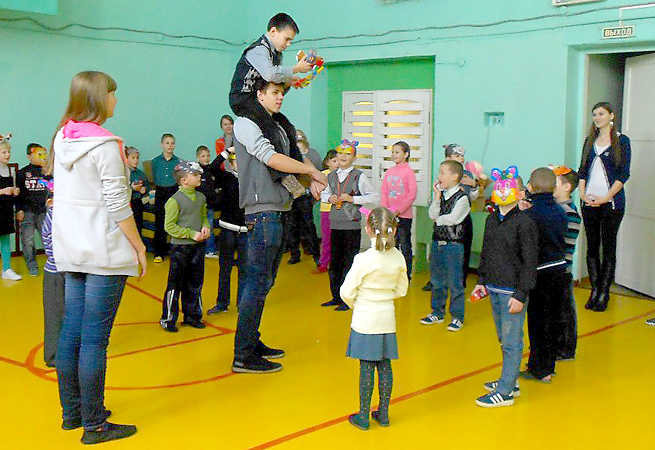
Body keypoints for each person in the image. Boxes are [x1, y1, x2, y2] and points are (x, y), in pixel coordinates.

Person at [51, 71, 146, 444]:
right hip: (103, 252)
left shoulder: (62, 137)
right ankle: (95, 425)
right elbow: (118, 205)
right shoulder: (106, 146)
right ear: (97, 98)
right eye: (111, 93)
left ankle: (73, 413)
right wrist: (139, 246)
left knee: (72, 331)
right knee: (93, 340)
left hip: (72, 249)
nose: (115, 99)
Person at [231, 79, 327, 373]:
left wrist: (307, 184)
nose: (280, 97)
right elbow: (272, 159)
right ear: (259, 94)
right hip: (262, 212)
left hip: (278, 210)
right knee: (257, 283)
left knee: (265, 283)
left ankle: (251, 341)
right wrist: (310, 170)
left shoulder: (276, 126)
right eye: (274, 92)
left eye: (282, 93)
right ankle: (243, 355)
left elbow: (284, 168)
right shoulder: (246, 123)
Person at [473, 165, 538, 407]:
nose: (502, 191)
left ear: (519, 193)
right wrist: (481, 281)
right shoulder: (491, 220)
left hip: (512, 292)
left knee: (512, 341)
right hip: (494, 287)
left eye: (508, 188)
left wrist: (521, 294)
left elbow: (530, 262)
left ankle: (505, 391)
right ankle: (510, 381)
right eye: (498, 187)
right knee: (503, 338)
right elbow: (487, 252)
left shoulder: (525, 223)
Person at [229, 13, 313, 198]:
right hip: (243, 99)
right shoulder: (258, 50)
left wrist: (290, 82)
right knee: (270, 129)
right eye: (287, 39)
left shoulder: (276, 54)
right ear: (273, 31)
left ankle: (299, 173)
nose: (288, 44)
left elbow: (273, 82)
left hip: (258, 99)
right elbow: (270, 75)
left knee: (287, 127)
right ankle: (285, 178)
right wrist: (296, 69)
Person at [341, 207, 408, 430]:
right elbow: (402, 290)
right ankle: (384, 414)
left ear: (367, 229)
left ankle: (363, 415)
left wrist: (358, 304)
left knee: (367, 367)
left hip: (365, 319)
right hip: (387, 319)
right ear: (393, 230)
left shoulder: (363, 259)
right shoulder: (398, 257)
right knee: (385, 365)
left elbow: (346, 292)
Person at [578, 102, 631, 312]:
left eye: (601, 113)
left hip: (611, 204)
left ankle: (604, 293)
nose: (597, 117)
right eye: (594, 114)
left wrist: (606, 198)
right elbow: (582, 170)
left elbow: (624, 174)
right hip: (589, 203)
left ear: (611, 115)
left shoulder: (622, 141)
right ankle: (595, 289)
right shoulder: (589, 141)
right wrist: (582, 194)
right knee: (592, 247)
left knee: (608, 247)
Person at [519, 168, 568, 384]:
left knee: (538, 321)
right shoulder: (560, 211)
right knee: (553, 319)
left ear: (531, 186)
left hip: (540, 271)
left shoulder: (530, 215)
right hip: (559, 269)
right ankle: (549, 366)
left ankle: (539, 369)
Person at [320, 140, 380, 311]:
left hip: (351, 226)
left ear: (354, 157)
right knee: (335, 263)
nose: (343, 156)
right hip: (335, 225)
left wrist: (353, 199)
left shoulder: (359, 176)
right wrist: (329, 198)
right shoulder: (331, 176)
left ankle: (348, 299)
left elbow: (374, 196)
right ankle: (335, 296)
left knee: (349, 263)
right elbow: (323, 194)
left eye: (348, 154)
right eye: (340, 153)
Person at [160, 161, 210, 332]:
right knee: (175, 284)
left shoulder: (201, 197)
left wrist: (205, 226)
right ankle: (168, 319)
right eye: (195, 175)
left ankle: (192, 316)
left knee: (195, 283)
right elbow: (169, 226)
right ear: (184, 180)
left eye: (199, 174)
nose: (199, 177)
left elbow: (203, 216)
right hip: (180, 249)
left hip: (198, 247)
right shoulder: (174, 201)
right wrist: (190, 233)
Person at [420, 160, 470, 331]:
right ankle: (437, 312)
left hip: (453, 245)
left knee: (455, 282)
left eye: (442, 173)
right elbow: (432, 214)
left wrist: (437, 219)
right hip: (437, 243)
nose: (439, 176)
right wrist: (436, 197)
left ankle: (457, 316)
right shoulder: (441, 196)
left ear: (454, 176)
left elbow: (453, 219)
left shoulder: (462, 198)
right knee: (436, 280)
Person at [423, 143, 479, 292]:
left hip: (461, 220)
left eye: (462, 156)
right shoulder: (444, 176)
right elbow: (436, 202)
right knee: (438, 251)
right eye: (457, 155)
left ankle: (459, 283)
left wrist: (473, 185)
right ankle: (436, 282)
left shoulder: (467, 175)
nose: (461, 158)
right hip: (443, 219)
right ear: (448, 158)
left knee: (462, 252)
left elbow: (473, 197)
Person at [207, 147, 247, 314]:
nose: (240, 164)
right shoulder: (226, 178)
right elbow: (212, 167)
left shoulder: (251, 179)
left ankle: (242, 304)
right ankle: (222, 303)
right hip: (227, 230)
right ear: (231, 163)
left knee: (244, 269)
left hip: (245, 231)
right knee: (225, 268)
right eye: (236, 161)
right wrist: (228, 150)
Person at [552, 166, 581, 361]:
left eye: (555, 183)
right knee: (555, 309)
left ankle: (566, 348)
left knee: (564, 310)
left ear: (567, 187)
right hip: (555, 269)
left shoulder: (569, 213)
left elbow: (562, 243)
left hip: (562, 270)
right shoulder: (556, 209)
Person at [380, 141, 417, 281]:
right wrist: (386, 210)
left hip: (404, 216)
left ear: (406, 154)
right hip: (389, 216)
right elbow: (384, 192)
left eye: (397, 152)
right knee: (390, 244)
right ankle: (391, 272)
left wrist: (398, 210)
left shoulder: (409, 172)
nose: (394, 155)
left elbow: (411, 195)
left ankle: (406, 274)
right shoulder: (389, 172)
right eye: (392, 152)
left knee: (405, 244)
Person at [286, 129, 321, 265]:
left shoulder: (312, 154)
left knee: (308, 225)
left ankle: (315, 254)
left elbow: (317, 173)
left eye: (299, 137)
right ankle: (295, 254)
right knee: (291, 226)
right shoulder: (288, 154)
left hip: (306, 195)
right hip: (291, 195)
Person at [40, 179, 64, 368]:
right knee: (55, 315)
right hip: (56, 272)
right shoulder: (54, 213)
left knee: (70, 313)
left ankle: (68, 351)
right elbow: (47, 240)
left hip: (71, 270)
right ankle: (53, 355)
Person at [16, 143, 49, 276]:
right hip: (27, 211)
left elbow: (51, 187)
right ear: (29, 156)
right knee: (27, 240)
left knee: (47, 238)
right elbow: (19, 194)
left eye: (43, 154)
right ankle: (31, 265)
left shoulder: (47, 172)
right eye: (38, 154)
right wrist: (19, 210)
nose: (42, 157)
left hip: (43, 211)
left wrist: (47, 173)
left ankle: (52, 262)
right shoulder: (22, 173)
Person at [151, 133, 180, 263]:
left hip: (173, 192)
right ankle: (159, 252)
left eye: (172, 143)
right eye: (167, 143)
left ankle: (175, 252)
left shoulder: (178, 162)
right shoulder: (155, 161)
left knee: (174, 221)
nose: (170, 145)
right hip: (160, 192)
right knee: (160, 222)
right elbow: (154, 178)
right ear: (162, 145)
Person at [0, 137, 21, 280]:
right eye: (4, 152)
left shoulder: (9, 169)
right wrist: (2, 191)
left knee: (5, 239)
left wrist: (14, 191)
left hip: (5, 210)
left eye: (8, 152)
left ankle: (6, 269)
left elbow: (11, 189)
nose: (7, 155)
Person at [315, 149, 338, 273]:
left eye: (339, 161)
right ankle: (323, 263)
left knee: (338, 239)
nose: (337, 163)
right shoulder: (323, 175)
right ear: (327, 162)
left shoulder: (343, 175)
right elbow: (319, 193)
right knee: (326, 238)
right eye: (334, 161)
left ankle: (336, 263)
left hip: (340, 212)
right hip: (326, 211)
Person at [196, 145, 221, 258]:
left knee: (209, 228)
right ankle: (200, 250)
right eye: (203, 156)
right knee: (199, 228)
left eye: (208, 155)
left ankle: (210, 250)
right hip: (199, 206)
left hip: (210, 205)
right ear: (198, 158)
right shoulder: (196, 171)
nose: (206, 158)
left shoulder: (211, 170)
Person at [125, 146, 149, 235]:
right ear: (126, 158)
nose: (136, 160)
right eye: (133, 158)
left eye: (137, 158)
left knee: (138, 226)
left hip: (138, 204)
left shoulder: (140, 174)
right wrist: (132, 188)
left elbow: (147, 186)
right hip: (127, 204)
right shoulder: (124, 173)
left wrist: (144, 189)